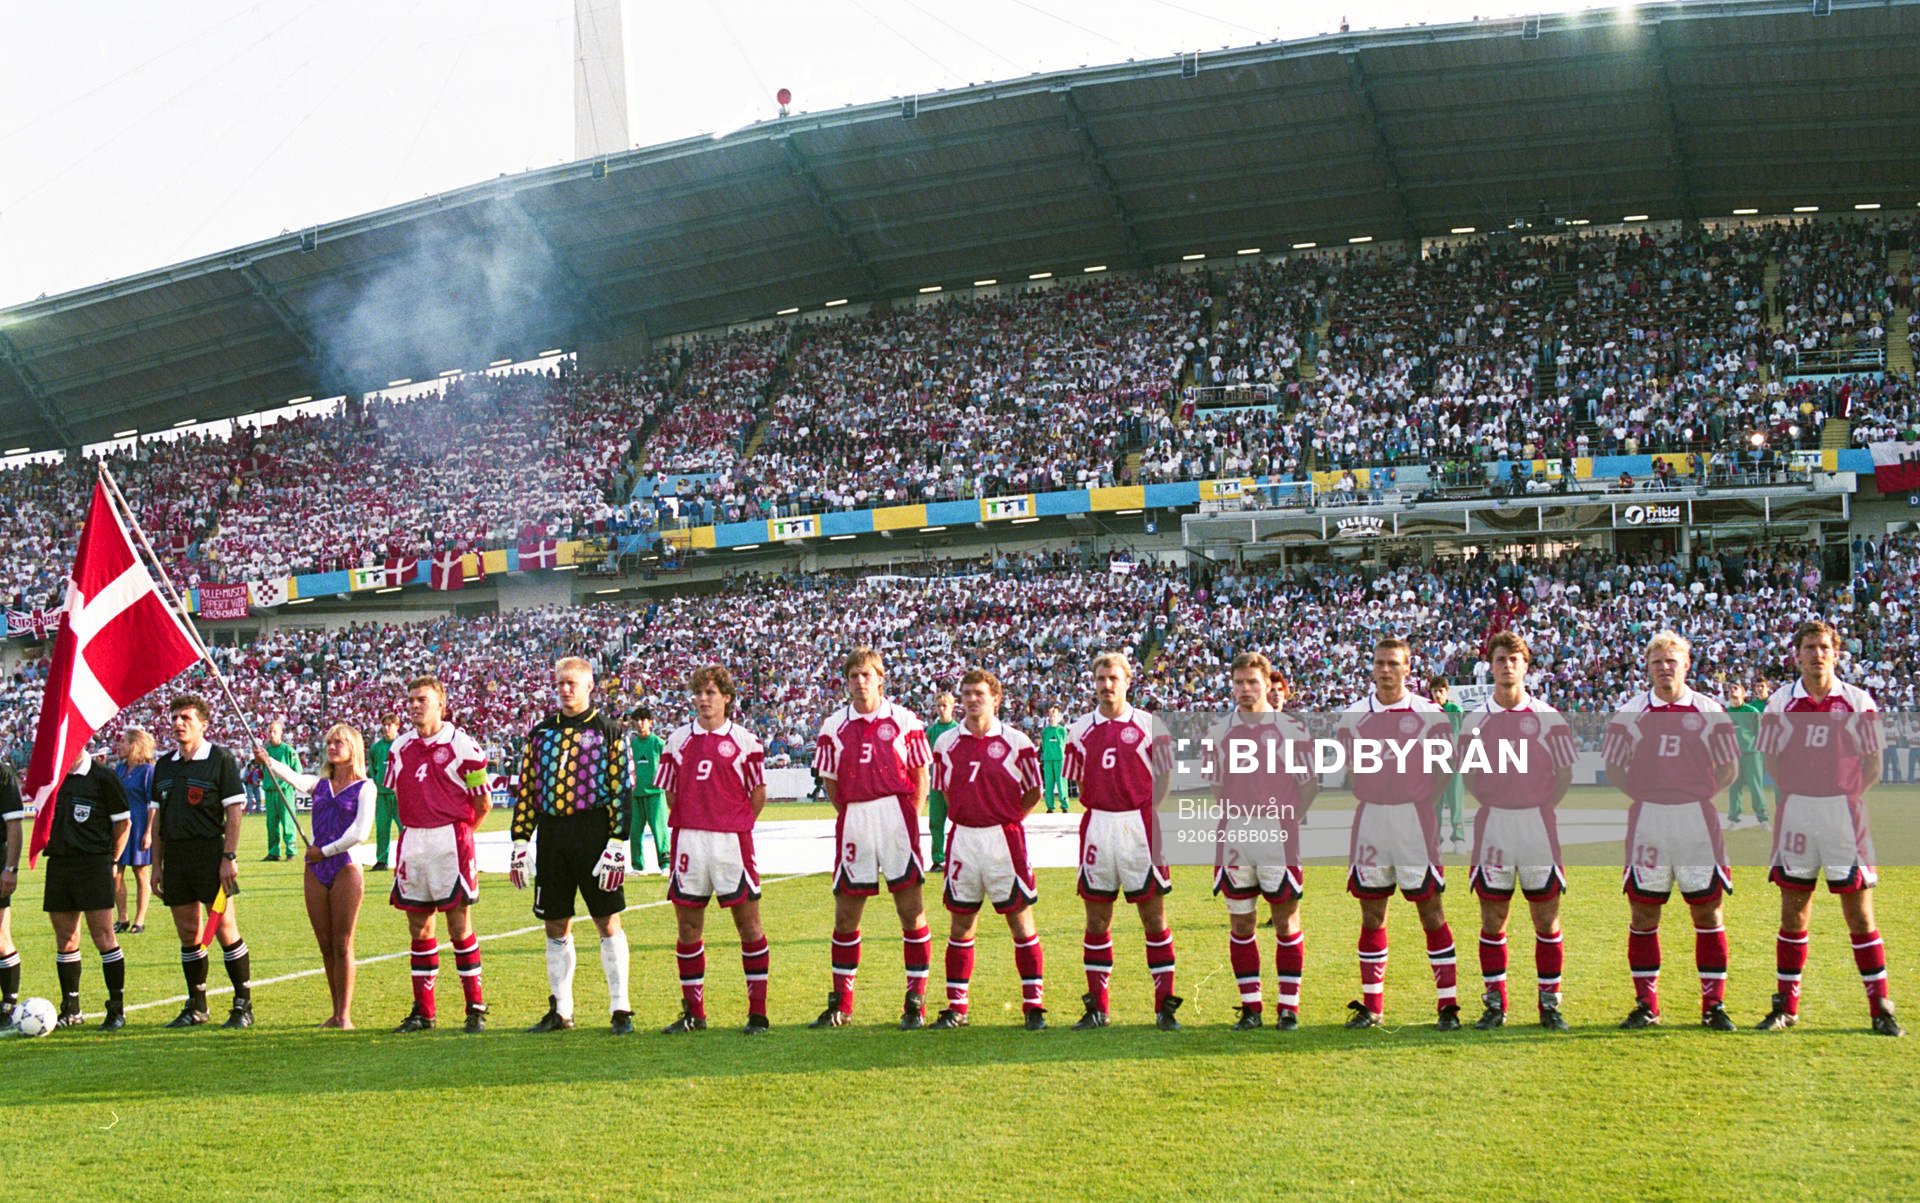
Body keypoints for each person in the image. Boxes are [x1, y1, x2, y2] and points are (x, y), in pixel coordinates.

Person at [1755, 620, 1901, 1036]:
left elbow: (1872, 763)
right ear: (1796, 654)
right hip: (1797, 811)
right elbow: (1771, 762)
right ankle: (1787, 1007)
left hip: (1843, 814)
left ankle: (1880, 1009)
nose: (1817, 654)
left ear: (1835, 653)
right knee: (1793, 911)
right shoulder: (1781, 702)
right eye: (1809, 647)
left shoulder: (1857, 701)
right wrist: (1800, 791)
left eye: (1824, 647)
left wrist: (1848, 795)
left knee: (1859, 913)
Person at [1602, 631, 1740, 1032]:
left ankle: (1713, 1005)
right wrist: (1650, 795)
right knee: (1644, 912)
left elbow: (1730, 767)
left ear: (1687, 664)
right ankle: (1647, 1004)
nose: (1665, 667)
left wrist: (1695, 795)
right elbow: (1614, 769)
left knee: (1708, 911)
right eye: (1657, 661)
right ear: (1648, 667)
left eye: (1672, 660)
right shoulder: (1630, 713)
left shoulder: (1710, 710)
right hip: (1649, 819)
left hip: (1697, 819)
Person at [1338, 637, 1460, 1030]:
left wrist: (1420, 798)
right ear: (1371, 667)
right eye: (1379, 663)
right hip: (1372, 819)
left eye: (1394, 663)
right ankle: (1373, 1007)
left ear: (1408, 668)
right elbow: (1350, 769)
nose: (1386, 670)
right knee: (1372, 915)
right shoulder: (1353, 716)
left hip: (1414, 822)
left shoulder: (1430, 714)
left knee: (1431, 911)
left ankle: (1448, 1007)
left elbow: (1444, 769)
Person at [810, 648, 933, 1030]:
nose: (860, 682)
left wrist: (909, 815)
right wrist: (852, 812)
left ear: (881, 678)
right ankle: (841, 1005)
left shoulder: (904, 720)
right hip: (856, 818)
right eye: (853, 676)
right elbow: (829, 781)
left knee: (910, 910)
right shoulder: (834, 725)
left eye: (866, 675)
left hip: (896, 814)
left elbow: (919, 774)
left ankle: (916, 1002)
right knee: (846, 914)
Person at [513, 658, 637, 1036]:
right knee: (555, 922)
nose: (565, 689)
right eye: (560, 683)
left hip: (594, 832)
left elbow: (622, 789)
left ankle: (620, 1007)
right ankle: (561, 1009)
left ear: (589, 686)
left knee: (606, 919)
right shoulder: (540, 734)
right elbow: (528, 789)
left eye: (572, 683)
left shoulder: (610, 731)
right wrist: (520, 838)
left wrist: (618, 839)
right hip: (552, 834)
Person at [1462, 632, 1580, 1032]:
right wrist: (1499, 798)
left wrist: (1538, 802)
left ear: (1526, 666)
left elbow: (1564, 775)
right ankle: (1495, 1004)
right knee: (1493, 918)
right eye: (1500, 659)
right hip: (1494, 822)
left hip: (1536, 825)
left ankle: (1550, 1005)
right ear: (1490, 667)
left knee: (1546, 919)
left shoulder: (1549, 717)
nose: (1507, 665)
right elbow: (1470, 776)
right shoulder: (1476, 719)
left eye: (1515, 659)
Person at [1064, 652, 1182, 1031]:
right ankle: (1098, 1008)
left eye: (1113, 677)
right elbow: (1079, 785)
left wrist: (1147, 812)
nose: (1106, 684)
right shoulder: (1079, 730)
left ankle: (1165, 1008)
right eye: (1100, 678)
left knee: (1153, 917)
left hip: (1140, 826)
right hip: (1098, 826)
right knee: (1097, 920)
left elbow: (1164, 778)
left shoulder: (1150, 726)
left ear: (1128, 681)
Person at [928, 668, 1047, 1030]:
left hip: (1004, 839)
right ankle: (957, 1007)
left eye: (979, 693)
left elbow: (1033, 792)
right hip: (963, 838)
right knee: (961, 924)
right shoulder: (945, 744)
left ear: (996, 698)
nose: (972, 699)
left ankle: (1033, 1005)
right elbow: (945, 791)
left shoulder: (1017, 742)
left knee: (1020, 921)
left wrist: (1008, 817)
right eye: (966, 693)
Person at [656, 665, 771, 1034]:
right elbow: (671, 794)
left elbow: (758, 795)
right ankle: (694, 1013)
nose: (703, 700)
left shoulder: (745, 741)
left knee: (748, 925)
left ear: (727, 698)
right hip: (689, 838)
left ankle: (757, 1013)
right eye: (699, 693)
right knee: (688, 927)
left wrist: (731, 821)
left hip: (731, 841)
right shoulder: (677, 741)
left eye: (711, 693)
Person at [1206, 653, 1310, 1031]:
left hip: (1278, 834)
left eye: (1252, 682)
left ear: (1268, 684)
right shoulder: (1218, 732)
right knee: (1241, 923)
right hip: (1235, 833)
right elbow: (1217, 788)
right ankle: (1251, 1008)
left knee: (1285, 921)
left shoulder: (1293, 729)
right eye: (1239, 683)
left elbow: (1308, 787)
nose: (1245, 689)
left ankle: (1289, 1008)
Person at [385, 675, 493, 1034]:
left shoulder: (464, 746)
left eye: (423, 700)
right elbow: (397, 796)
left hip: (451, 839)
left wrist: (462, 834)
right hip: (413, 840)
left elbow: (483, 801)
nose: (415, 705)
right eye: (412, 699)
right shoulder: (398, 748)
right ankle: (424, 1011)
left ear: (441, 705)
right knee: (419, 927)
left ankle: (475, 1006)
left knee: (459, 926)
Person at [255, 723, 374, 1029]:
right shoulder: (320, 784)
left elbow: (360, 832)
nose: (332, 747)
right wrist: (268, 761)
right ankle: (334, 1012)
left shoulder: (366, 788)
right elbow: (293, 779)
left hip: (345, 866)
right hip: (315, 869)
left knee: (342, 942)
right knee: (324, 944)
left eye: (339, 742)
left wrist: (327, 850)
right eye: (329, 743)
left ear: (354, 748)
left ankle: (344, 1015)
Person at [149, 694, 254, 1029]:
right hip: (177, 857)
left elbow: (234, 813)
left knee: (224, 929)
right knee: (188, 932)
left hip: (211, 853)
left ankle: (243, 1005)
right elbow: (158, 819)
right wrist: (156, 865)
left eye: (186, 718)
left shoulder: (220, 759)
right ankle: (197, 1005)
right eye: (175, 717)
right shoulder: (164, 765)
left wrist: (229, 857)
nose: (179, 723)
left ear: (203, 724)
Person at [43, 749, 132, 1029]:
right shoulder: (53, 778)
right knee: (66, 939)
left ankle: (116, 1009)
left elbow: (123, 823)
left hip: (94, 863)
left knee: (104, 936)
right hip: (59, 862)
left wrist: (113, 860)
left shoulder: (103, 777)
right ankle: (71, 1008)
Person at [113, 728, 156, 934]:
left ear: (134, 745)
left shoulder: (147, 770)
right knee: (116, 871)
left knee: (140, 872)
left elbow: (152, 804)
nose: (119, 746)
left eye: (123, 742)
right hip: (120, 826)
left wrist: (149, 832)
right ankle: (122, 918)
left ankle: (140, 920)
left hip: (139, 826)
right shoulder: (119, 769)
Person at [627, 706, 670, 875]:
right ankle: (638, 866)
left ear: (650, 722)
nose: (639, 724)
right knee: (635, 832)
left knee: (659, 831)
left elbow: (670, 766)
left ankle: (665, 864)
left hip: (655, 794)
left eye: (643, 720)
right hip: (636, 795)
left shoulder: (658, 743)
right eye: (636, 720)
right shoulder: (632, 744)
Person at [1724, 680, 1770, 828]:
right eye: (1730, 689)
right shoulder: (1725, 713)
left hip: (1752, 754)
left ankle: (1763, 819)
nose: (1732, 690)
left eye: (1735, 688)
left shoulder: (1752, 712)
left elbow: (1761, 733)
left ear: (1743, 693)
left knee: (1755, 786)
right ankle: (1733, 819)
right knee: (1734, 788)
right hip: (1733, 756)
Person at [1431, 678, 1467, 852]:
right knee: (1435, 802)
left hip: (1453, 762)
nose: (1437, 694)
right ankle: (1436, 839)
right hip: (1434, 763)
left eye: (1441, 691)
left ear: (1447, 691)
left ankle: (1458, 838)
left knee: (1455, 800)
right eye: (1434, 691)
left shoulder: (1455, 709)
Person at [924, 693, 959, 872]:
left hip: (956, 784)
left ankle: (958, 857)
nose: (942, 709)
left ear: (953, 706)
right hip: (937, 783)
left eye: (945, 705)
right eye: (939, 705)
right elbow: (924, 757)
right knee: (936, 822)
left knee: (960, 822)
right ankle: (938, 858)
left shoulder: (960, 730)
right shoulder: (931, 731)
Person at [259, 720, 301, 862]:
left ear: (281, 733)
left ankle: (291, 851)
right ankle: (273, 852)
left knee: (287, 821)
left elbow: (298, 771)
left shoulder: (288, 751)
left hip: (284, 791)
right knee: (271, 823)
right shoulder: (265, 752)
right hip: (270, 791)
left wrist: (290, 785)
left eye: (274, 731)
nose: (271, 734)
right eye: (269, 731)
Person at [0, 759, 21, 1026]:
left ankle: (8, 1004)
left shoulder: (3, 774)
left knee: (1, 937)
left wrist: (11, 868)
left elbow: (15, 826)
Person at [368, 716, 402, 872]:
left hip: (400, 795)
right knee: (382, 828)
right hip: (381, 795)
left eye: (390, 725)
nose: (387, 728)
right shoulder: (376, 748)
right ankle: (382, 860)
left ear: (397, 727)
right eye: (385, 725)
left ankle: (406, 859)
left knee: (405, 828)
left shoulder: (403, 745)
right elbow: (373, 769)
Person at [1040, 706, 1069, 813]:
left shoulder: (1062, 730)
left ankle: (1064, 805)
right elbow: (1043, 745)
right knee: (1048, 783)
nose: (1052, 718)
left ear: (1058, 717)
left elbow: (1066, 743)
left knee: (1061, 783)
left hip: (1060, 759)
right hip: (1048, 759)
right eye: (1050, 716)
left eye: (1054, 716)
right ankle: (1050, 806)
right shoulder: (1045, 731)